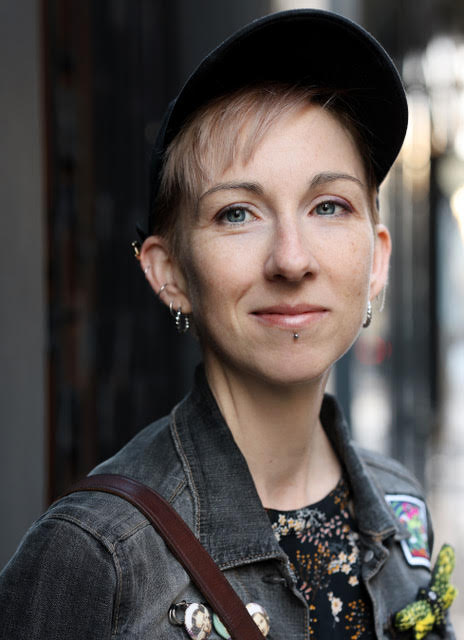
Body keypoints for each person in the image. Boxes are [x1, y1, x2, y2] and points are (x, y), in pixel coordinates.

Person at [0, 9, 456, 640]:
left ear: (376, 260)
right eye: (237, 213)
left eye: (329, 206)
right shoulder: (97, 559)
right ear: (169, 273)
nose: (291, 259)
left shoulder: (401, 511)